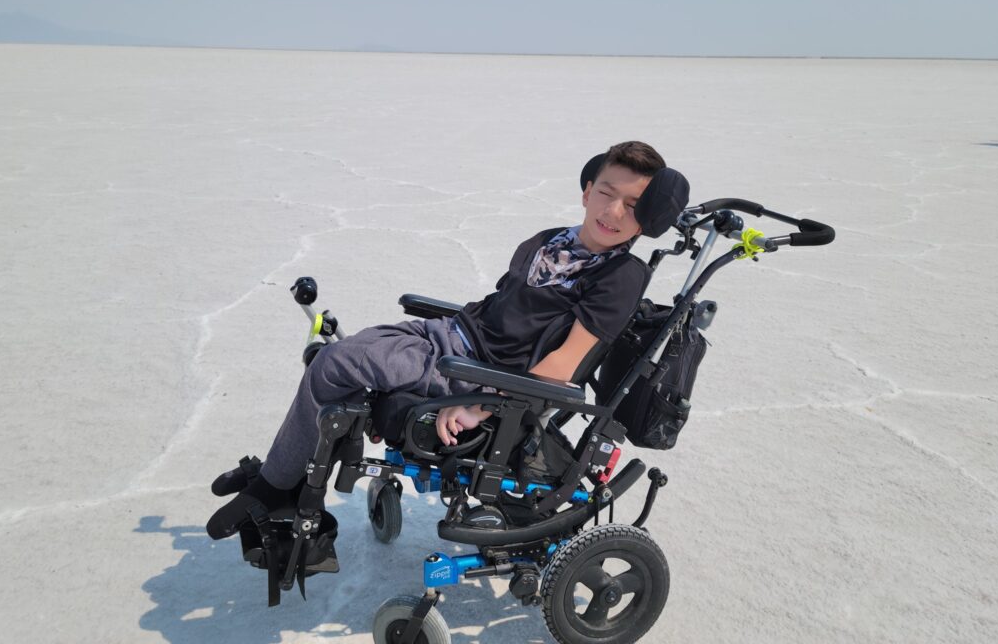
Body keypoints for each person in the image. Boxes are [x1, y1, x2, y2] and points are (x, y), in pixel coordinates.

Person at [207, 140, 688, 540]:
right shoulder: (551, 240)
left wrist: (483, 404)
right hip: (453, 335)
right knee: (334, 358)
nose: (613, 211)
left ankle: (278, 489)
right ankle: (287, 479)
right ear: (587, 191)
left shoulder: (620, 275)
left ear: (645, 220)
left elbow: (565, 364)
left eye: (631, 205)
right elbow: (502, 306)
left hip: (474, 371)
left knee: (334, 364)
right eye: (607, 193)